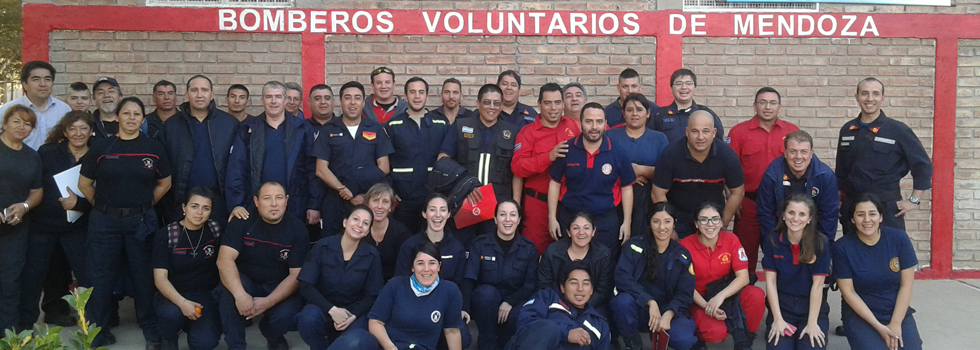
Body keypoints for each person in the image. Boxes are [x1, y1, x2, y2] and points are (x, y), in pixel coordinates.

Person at [78, 96, 172, 347]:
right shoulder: (102, 147)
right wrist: (100, 205)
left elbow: (165, 182)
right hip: (104, 222)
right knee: (100, 277)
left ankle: (152, 330)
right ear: (117, 117)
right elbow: (84, 183)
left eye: (137, 114)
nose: (131, 118)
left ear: (143, 119)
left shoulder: (153, 147)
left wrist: (147, 204)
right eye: (127, 113)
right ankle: (98, 330)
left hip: (141, 221)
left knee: (144, 277)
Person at [18, 111, 93, 331]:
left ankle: (95, 319)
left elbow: (104, 195)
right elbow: (34, 184)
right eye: (73, 128)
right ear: (64, 132)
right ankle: (26, 323)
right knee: (38, 275)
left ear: (92, 131)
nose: (78, 133)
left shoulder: (97, 156)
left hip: (77, 225)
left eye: (84, 128)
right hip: (43, 225)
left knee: (84, 272)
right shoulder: (48, 152)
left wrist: (78, 204)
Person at [215, 181, 310, 350]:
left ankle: (272, 333)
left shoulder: (298, 229)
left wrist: (267, 302)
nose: (274, 204)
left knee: (288, 314)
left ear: (287, 200)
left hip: (278, 285)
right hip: (247, 282)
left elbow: (296, 275)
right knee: (228, 292)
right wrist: (240, 295)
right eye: (267, 198)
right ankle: (236, 345)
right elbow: (224, 260)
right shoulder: (242, 220)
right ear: (256, 201)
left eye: (279, 198)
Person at [836, 77, 932, 235]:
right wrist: (838, 200)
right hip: (854, 204)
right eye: (864, 94)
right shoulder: (847, 130)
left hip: (886, 206)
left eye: (875, 94)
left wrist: (914, 200)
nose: (870, 99)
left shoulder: (897, 130)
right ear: (857, 97)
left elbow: (922, 165)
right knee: (854, 255)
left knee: (889, 254)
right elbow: (841, 170)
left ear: (883, 98)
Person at [727, 87, 800, 282]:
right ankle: (745, 304)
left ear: (779, 107)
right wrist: (733, 201)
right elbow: (727, 170)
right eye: (762, 102)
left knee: (782, 255)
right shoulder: (738, 132)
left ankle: (782, 305)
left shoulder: (792, 131)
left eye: (772, 103)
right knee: (744, 259)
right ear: (755, 105)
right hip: (749, 205)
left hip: (782, 206)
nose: (767, 107)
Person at [833, 193, 923, 350]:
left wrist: (895, 324)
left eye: (872, 214)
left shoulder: (899, 239)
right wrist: (879, 328)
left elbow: (906, 286)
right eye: (860, 215)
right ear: (853, 220)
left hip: (893, 308)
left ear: (881, 217)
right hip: (862, 314)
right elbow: (849, 293)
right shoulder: (842, 248)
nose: (867, 220)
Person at [439, 84, 522, 246]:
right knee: (461, 247)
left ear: (502, 105)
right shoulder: (460, 126)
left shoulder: (513, 131)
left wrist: (515, 205)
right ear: (478, 104)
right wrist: (465, 184)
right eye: (487, 102)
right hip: (465, 202)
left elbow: (517, 171)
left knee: (493, 250)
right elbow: (443, 159)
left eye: (496, 103)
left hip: (498, 206)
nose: (492, 107)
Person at [548, 102, 635, 255]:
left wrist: (627, 222)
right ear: (580, 124)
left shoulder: (618, 152)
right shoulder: (566, 150)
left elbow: (627, 187)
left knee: (605, 266)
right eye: (589, 121)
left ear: (605, 124)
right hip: (570, 219)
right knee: (569, 266)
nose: (594, 127)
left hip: (605, 220)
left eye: (599, 122)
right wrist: (551, 217)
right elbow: (554, 184)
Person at [226, 80, 317, 223]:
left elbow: (312, 168)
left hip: (295, 204)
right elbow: (236, 169)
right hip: (255, 205)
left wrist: (314, 204)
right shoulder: (248, 129)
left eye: (278, 97)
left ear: (285, 100)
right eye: (269, 97)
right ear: (262, 101)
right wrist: (237, 203)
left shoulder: (302, 128)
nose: (273, 101)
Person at [296, 205, 385, 350]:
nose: (359, 225)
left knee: (356, 339)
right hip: (323, 306)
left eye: (365, 223)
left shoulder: (372, 255)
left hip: (354, 311)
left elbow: (372, 294)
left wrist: (353, 315)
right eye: (355, 219)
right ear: (345, 222)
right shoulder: (322, 246)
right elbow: (305, 285)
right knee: (307, 319)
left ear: (367, 231)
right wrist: (332, 310)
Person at [679, 202, 765, 350]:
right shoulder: (685, 245)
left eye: (715, 219)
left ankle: (745, 340)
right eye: (704, 220)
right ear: (697, 224)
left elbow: (743, 278)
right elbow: (683, 285)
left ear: (721, 222)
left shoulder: (731, 239)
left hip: (726, 295)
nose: (710, 224)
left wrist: (720, 297)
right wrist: (707, 306)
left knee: (756, 295)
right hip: (698, 299)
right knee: (715, 333)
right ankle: (698, 340)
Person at [612, 202, 698, 350]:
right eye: (656, 221)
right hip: (640, 307)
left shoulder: (682, 255)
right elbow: (622, 277)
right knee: (622, 302)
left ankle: (660, 338)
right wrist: (650, 301)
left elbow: (685, 293)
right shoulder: (634, 246)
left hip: (668, 311)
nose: (662, 227)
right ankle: (633, 344)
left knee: (685, 340)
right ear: (650, 224)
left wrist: (669, 314)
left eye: (667, 221)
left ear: (674, 224)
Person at [313, 81, 393, 236]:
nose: (352, 102)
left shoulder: (375, 128)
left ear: (363, 102)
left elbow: (384, 167)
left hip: (366, 200)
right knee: (333, 245)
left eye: (357, 98)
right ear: (340, 102)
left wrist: (361, 194)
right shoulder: (328, 129)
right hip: (335, 200)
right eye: (347, 98)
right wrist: (344, 191)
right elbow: (321, 169)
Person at [351, 242, 465, 350]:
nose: (426, 269)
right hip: (389, 346)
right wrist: (390, 347)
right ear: (412, 267)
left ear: (439, 266)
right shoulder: (395, 285)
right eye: (420, 263)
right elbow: (375, 322)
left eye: (432, 263)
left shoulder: (450, 291)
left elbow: (452, 331)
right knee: (355, 339)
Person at [159, 75, 240, 225]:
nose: (200, 95)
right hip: (181, 201)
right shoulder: (171, 126)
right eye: (194, 90)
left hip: (219, 202)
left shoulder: (230, 125)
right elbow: (163, 168)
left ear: (212, 95)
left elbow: (238, 166)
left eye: (204, 90)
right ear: (187, 95)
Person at [652, 110, 745, 238]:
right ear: (687, 132)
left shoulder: (727, 155)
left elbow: (737, 192)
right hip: (679, 218)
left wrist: (723, 223)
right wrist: (670, 228)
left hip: (711, 219)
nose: (700, 137)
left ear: (714, 133)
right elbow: (657, 193)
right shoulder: (670, 154)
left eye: (706, 131)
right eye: (695, 131)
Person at [510, 83, 580, 253]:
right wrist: (548, 157)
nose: (553, 108)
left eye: (557, 102)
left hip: (569, 203)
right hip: (538, 206)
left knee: (569, 253)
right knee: (533, 252)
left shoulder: (573, 126)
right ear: (539, 105)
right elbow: (517, 167)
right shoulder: (528, 132)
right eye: (548, 103)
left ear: (563, 104)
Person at [461, 200, 538, 350]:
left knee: (522, 312)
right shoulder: (480, 244)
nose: (507, 219)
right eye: (502, 214)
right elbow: (469, 279)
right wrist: (464, 308)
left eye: (512, 215)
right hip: (486, 304)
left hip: (514, 302)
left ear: (519, 220)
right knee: (486, 294)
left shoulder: (529, 249)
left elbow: (530, 285)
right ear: (495, 219)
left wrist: (510, 302)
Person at [151, 187, 223, 350]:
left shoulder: (214, 230)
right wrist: (182, 303)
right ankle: (168, 336)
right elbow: (160, 278)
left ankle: (193, 327)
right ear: (184, 207)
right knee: (172, 314)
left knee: (206, 344)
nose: (199, 213)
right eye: (194, 206)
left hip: (204, 295)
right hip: (172, 294)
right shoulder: (167, 235)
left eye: (206, 208)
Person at [761, 194, 831, 350]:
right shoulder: (772, 240)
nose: (796, 218)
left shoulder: (820, 243)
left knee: (812, 346)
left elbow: (818, 286)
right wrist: (777, 319)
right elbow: (771, 283)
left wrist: (812, 323)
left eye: (802, 214)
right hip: (783, 307)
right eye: (791, 212)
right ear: (783, 215)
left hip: (811, 309)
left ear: (810, 218)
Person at [385, 77, 450, 233]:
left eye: (421, 92)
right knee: (403, 240)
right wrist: (390, 191)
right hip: (404, 197)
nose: (417, 96)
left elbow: (449, 159)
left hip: (433, 197)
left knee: (432, 241)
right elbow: (384, 161)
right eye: (412, 92)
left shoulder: (441, 124)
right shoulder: (393, 125)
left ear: (426, 96)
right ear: (405, 96)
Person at [0, 106, 43, 332]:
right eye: (16, 121)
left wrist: (24, 207)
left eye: (27, 124)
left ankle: (8, 334)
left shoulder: (32, 156)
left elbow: (37, 192)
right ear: (5, 123)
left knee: (10, 283)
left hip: (14, 231)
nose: (21, 127)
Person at [505, 261, 610, 350]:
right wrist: (566, 333)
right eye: (573, 283)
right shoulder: (547, 297)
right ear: (562, 287)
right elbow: (524, 322)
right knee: (549, 327)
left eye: (586, 284)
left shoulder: (599, 325)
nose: (580, 289)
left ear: (591, 290)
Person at [606, 93, 669, 238]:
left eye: (639, 110)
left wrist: (640, 170)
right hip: (614, 202)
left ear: (647, 114)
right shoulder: (610, 136)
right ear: (623, 113)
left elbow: (666, 172)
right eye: (629, 110)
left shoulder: (659, 139)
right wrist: (629, 174)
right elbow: (602, 167)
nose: (634, 114)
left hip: (647, 201)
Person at [757, 130, 839, 242]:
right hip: (780, 233)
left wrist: (821, 247)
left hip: (812, 236)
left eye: (804, 152)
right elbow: (765, 213)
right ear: (785, 153)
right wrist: (773, 243)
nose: (798, 157)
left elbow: (828, 216)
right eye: (793, 151)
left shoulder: (825, 176)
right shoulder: (772, 174)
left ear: (811, 153)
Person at [537, 212, 614, 311]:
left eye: (586, 228)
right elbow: (544, 285)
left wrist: (581, 307)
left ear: (593, 232)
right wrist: (564, 307)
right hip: (557, 306)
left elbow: (603, 290)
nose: (581, 232)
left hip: (591, 306)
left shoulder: (603, 254)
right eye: (576, 228)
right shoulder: (552, 252)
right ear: (569, 232)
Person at [395, 194, 467, 283]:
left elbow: (460, 285)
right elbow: (400, 283)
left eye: (443, 210)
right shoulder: (409, 246)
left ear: (448, 214)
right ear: (424, 214)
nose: (438, 215)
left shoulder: (457, 248)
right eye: (432, 210)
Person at [0, 61, 71, 150]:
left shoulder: (64, 109)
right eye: (36, 79)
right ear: (25, 84)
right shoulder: (7, 110)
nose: (43, 84)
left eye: (47, 79)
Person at [650, 69, 724, 143]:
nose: (684, 87)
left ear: (694, 88)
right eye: (678, 83)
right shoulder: (659, 115)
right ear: (671, 89)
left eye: (689, 83)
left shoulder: (707, 114)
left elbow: (719, 143)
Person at [361, 183, 412, 281]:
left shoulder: (401, 233)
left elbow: (404, 268)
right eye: (375, 201)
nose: (380, 206)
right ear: (367, 204)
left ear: (390, 207)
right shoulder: (359, 228)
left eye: (385, 202)